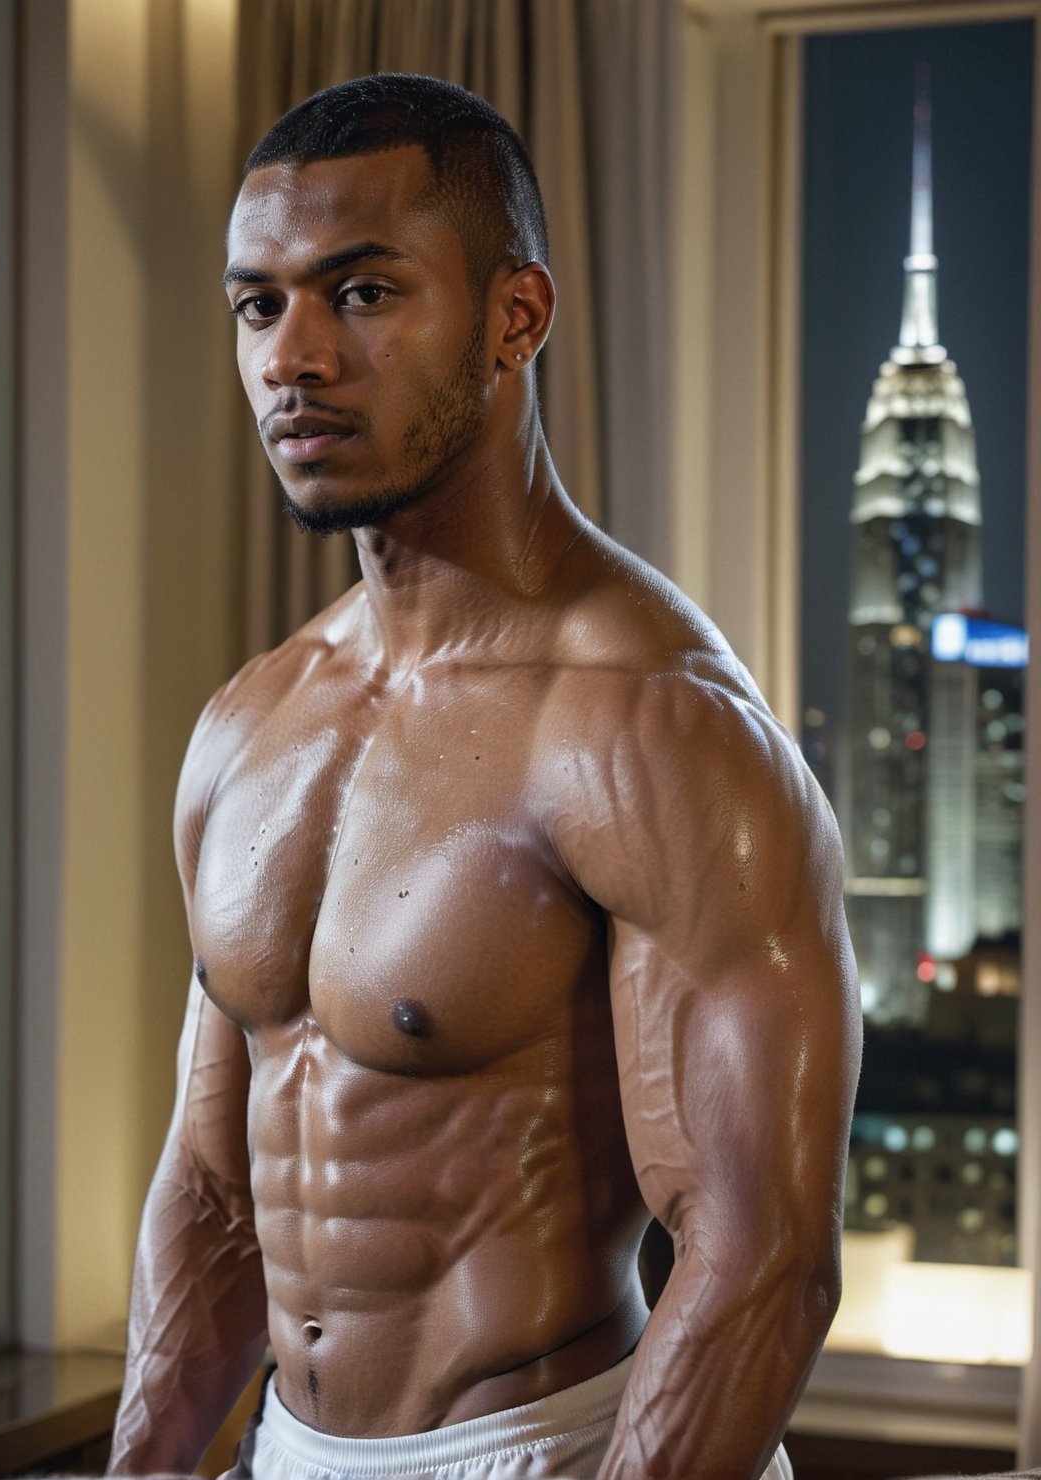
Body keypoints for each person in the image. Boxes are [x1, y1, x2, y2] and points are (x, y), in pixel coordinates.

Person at [106, 74, 861, 1480]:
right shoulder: (247, 725)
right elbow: (213, 1195)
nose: (293, 358)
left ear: (517, 317)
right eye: (259, 305)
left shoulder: (648, 725)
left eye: (365, 294)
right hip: (290, 1450)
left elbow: (759, 1252)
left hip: (558, 1450)